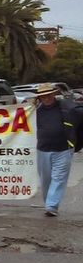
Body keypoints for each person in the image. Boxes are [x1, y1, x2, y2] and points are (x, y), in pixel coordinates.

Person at [33, 83, 81, 217]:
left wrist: (76, 142)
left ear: (54, 94)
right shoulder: (35, 110)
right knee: (46, 180)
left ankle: (51, 206)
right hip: (42, 150)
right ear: (40, 97)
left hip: (63, 149)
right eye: (43, 96)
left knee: (59, 178)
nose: (46, 98)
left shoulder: (67, 107)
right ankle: (49, 203)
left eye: (48, 95)